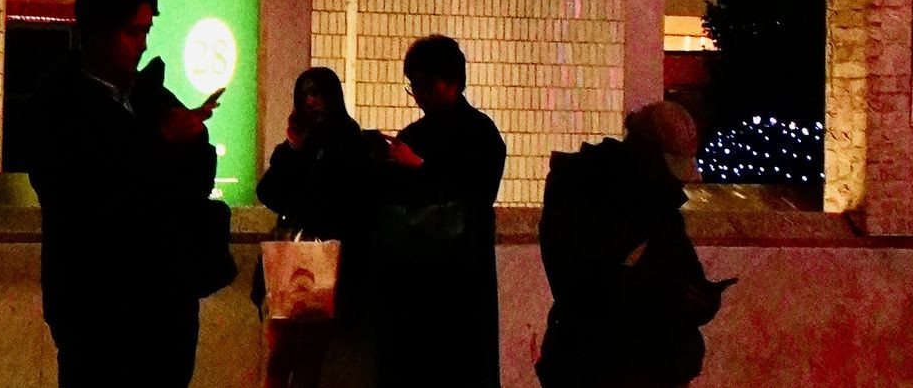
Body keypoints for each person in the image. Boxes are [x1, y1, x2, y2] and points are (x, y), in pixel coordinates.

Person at [22, 0, 225, 388]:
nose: (143, 44)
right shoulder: (57, 105)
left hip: (166, 304)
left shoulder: (149, 95)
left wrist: (192, 138)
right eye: (133, 32)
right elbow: (84, 199)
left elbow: (195, 181)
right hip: (96, 308)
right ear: (98, 32)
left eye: (147, 31)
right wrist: (163, 143)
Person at [537, 98, 730, 387]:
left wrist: (702, 299)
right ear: (646, 153)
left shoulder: (659, 201)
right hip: (598, 365)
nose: (676, 183)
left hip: (652, 365)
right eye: (669, 170)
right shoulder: (584, 189)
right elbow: (581, 286)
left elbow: (682, 267)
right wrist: (667, 293)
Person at [376, 34, 509, 388]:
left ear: (453, 83)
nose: (418, 95)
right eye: (413, 86)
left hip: (458, 280)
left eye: (425, 85)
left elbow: (476, 194)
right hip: (422, 278)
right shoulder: (416, 134)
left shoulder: (480, 134)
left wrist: (419, 166)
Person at [258, 64, 389, 386]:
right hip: (295, 259)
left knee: (307, 356)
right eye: (304, 95)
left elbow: (348, 202)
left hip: (329, 262)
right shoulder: (300, 143)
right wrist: (294, 149)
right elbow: (269, 192)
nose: (310, 102)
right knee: (280, 353)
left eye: (317, 94)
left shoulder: (349, 142)